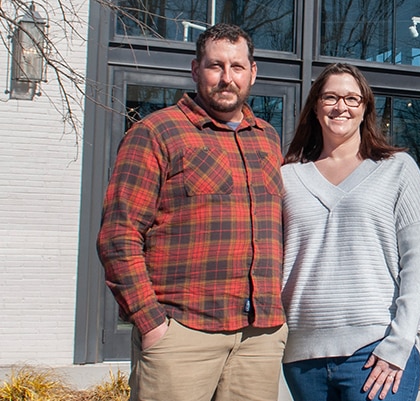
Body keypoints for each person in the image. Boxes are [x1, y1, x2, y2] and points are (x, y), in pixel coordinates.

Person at [96, 23, 286, 401]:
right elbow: (119, 235)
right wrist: (151, 323)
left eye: (237, 67)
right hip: (183, 331)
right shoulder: (157, 132)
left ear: (253, 73)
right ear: (196, 69)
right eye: (216, 66)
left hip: (259, 336)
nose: (227, 78)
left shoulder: (267, 137)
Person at [281, 62, 420, 401]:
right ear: (316, 107)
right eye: (331, 97)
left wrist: (400, 342)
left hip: (376, 351)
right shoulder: (287, 177)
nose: (341, 107)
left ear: (365, 109)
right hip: (302, 358)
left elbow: (418, 262)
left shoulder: (397, 169)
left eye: (352, 98)